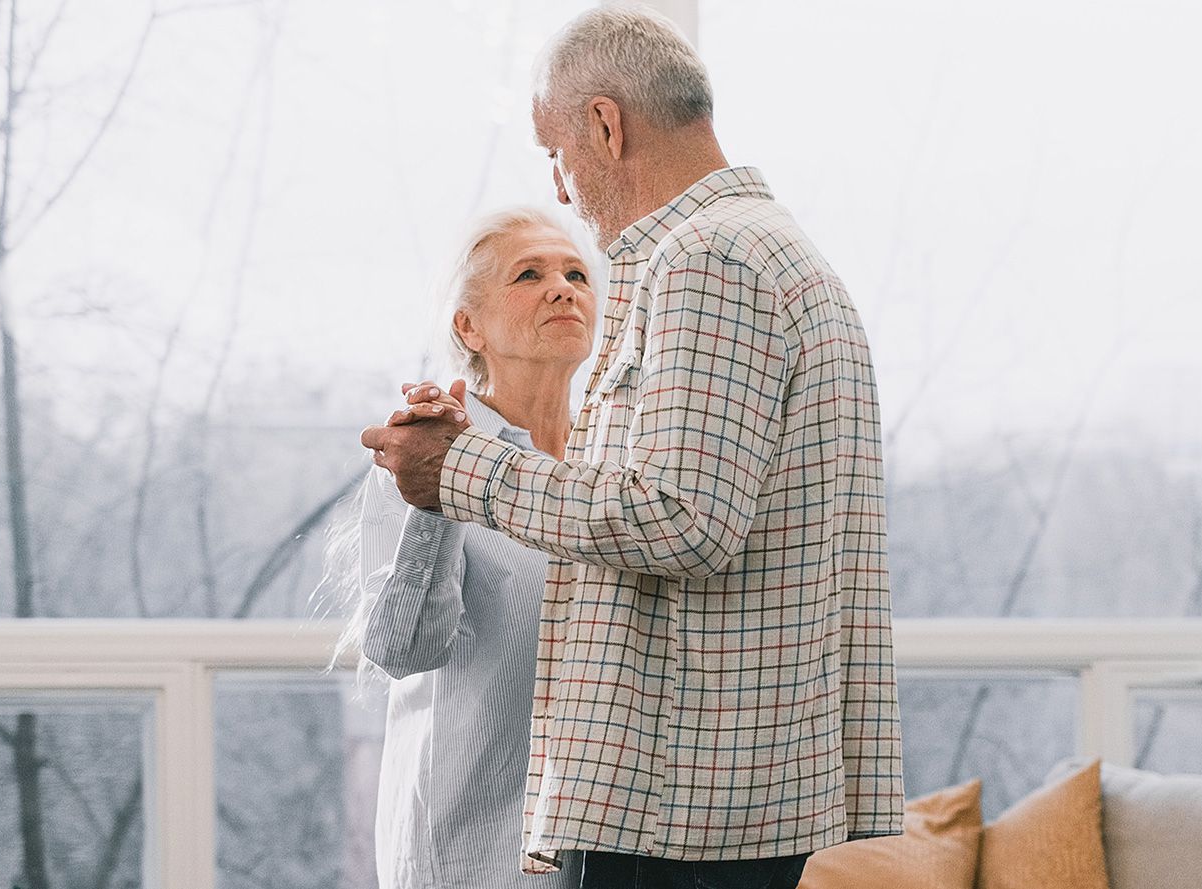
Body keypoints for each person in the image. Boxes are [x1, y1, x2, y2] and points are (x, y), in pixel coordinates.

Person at [364, 8, 905, 888]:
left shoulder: (709, 261)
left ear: (607, 126)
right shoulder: (779, 251)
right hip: (733, 812)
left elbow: (681, 518)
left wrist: (460, 470)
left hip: (680, 823)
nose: (563, 187)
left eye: (557, 150)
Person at [326, 207, 597, 889]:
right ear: (467, 326)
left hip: (597, 853)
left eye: (576, 273)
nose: (562, 288)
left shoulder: (614, 463)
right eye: (528, 274)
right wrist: (440, 492)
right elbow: (402, 648)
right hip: (465, 851)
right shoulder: (421, 448)